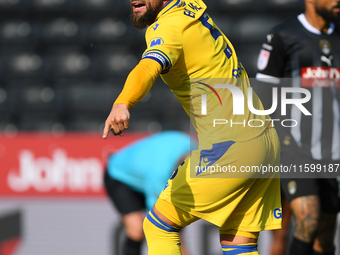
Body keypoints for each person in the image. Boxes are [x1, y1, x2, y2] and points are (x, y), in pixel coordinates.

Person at [102, 0, 282, 254]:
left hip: (231, 145)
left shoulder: (167, 26)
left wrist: (123, 102)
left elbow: (148, 66)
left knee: (157, 227)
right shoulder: (192, 10)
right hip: (264, 140)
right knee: (238, 244)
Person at [255, 0, 340, 254]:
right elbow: (263, 93)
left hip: (333, 152)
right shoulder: (283, 35)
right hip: (294, 147)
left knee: (324, 239)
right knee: (309, 218)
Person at [103, 131, 194, 255]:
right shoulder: (159, 174)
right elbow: (161, 223)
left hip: (145, 175)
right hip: (119, 176)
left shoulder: (198, 153)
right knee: (136, 229)